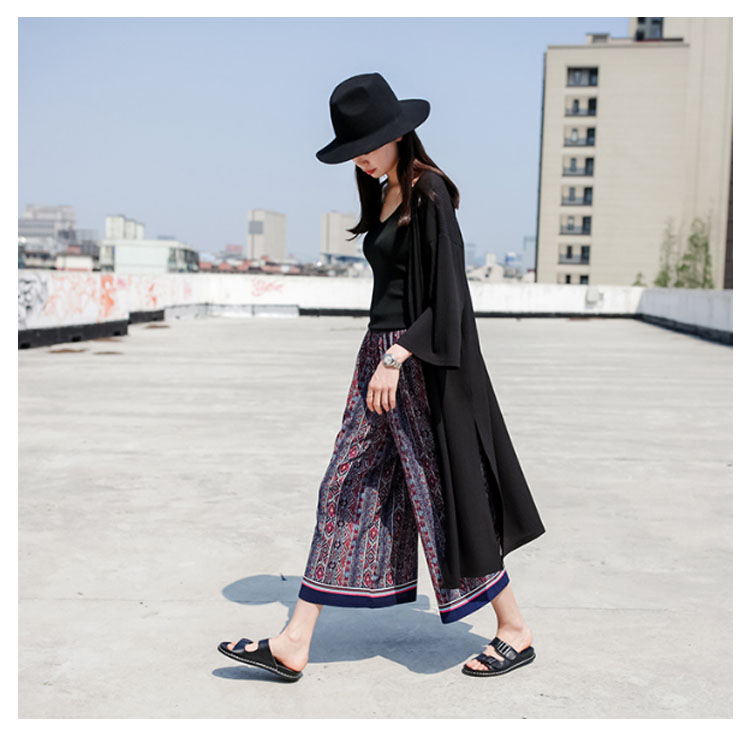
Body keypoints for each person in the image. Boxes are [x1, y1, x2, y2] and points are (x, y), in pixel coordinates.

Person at [218, 72, 545, 681]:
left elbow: (450, 298)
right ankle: (295, 641)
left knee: (438, 494)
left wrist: (397, 358)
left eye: (367, 145)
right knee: (347, 485)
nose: (361, 158)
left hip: (414, 365)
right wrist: (380, 357)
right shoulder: (385, 191)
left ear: (398, 133)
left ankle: (515, 629)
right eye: (353, 150)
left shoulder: (429, 192)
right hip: (379, 358)